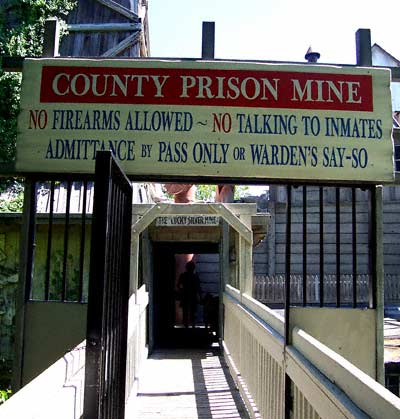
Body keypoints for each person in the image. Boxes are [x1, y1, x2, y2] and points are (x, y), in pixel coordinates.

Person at [178, 261, 201, 328]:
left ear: (186, 268)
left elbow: (178, 285)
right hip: (192, 296)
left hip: (185, 295)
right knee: (192, 312)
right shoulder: (195, 277)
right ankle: (192, 325)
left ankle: (186, 326)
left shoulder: (183, 275)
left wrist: (181, 290)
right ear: (193, 268)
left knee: (185, 312)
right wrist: (200, 296)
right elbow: (198, 288)